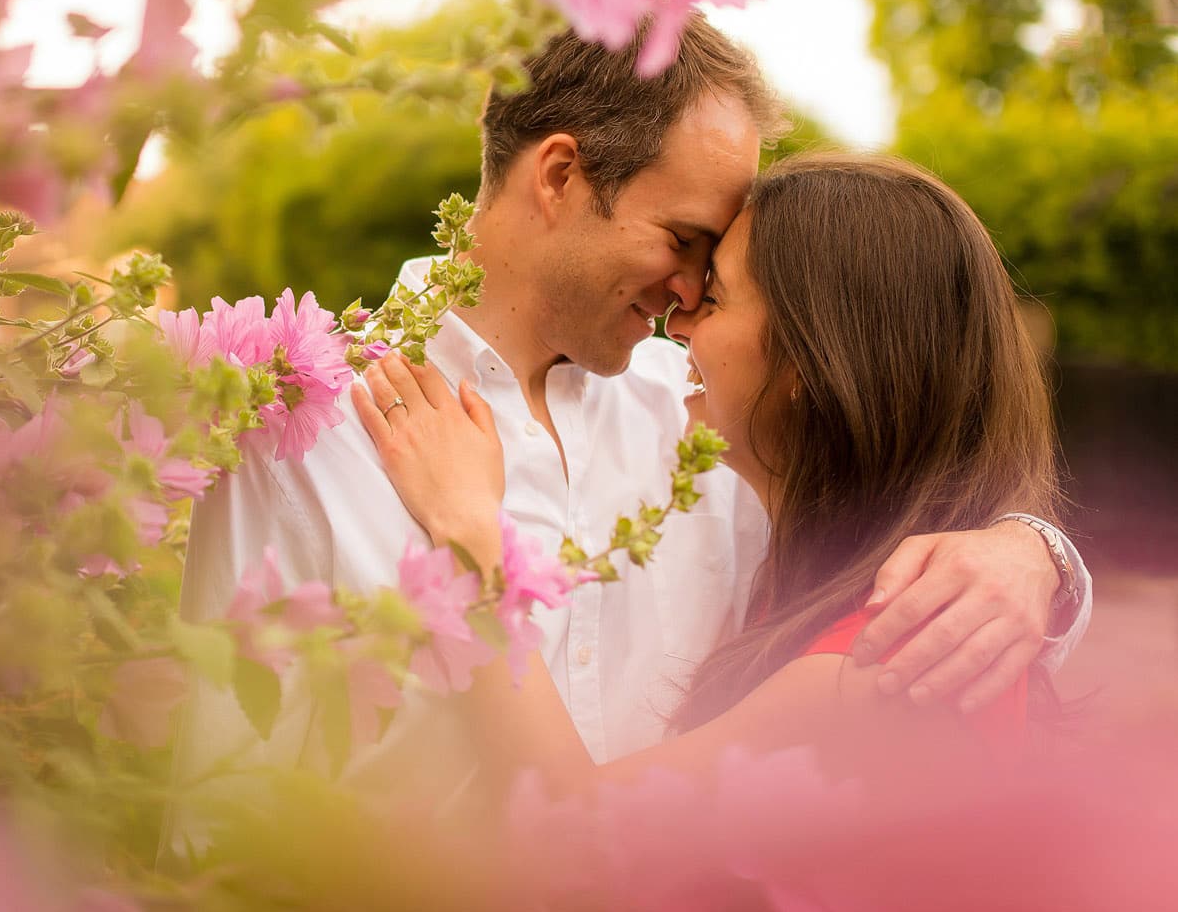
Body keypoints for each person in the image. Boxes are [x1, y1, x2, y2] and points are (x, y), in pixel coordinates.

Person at [172, 17, 1089, 817]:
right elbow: (225, 802)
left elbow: (899, 538)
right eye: (685, 239)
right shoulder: (307, 428)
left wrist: (1034, 554)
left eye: (718, 263)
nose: (690, 294)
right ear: (563, 175)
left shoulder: (714, 426)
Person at [354, 152, 1068, 792]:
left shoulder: (884, 660)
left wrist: (472, 534)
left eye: (718, 294)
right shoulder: (820, 569)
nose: (681, 318)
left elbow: (570, 838)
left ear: (809, 363)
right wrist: (1041, 549)